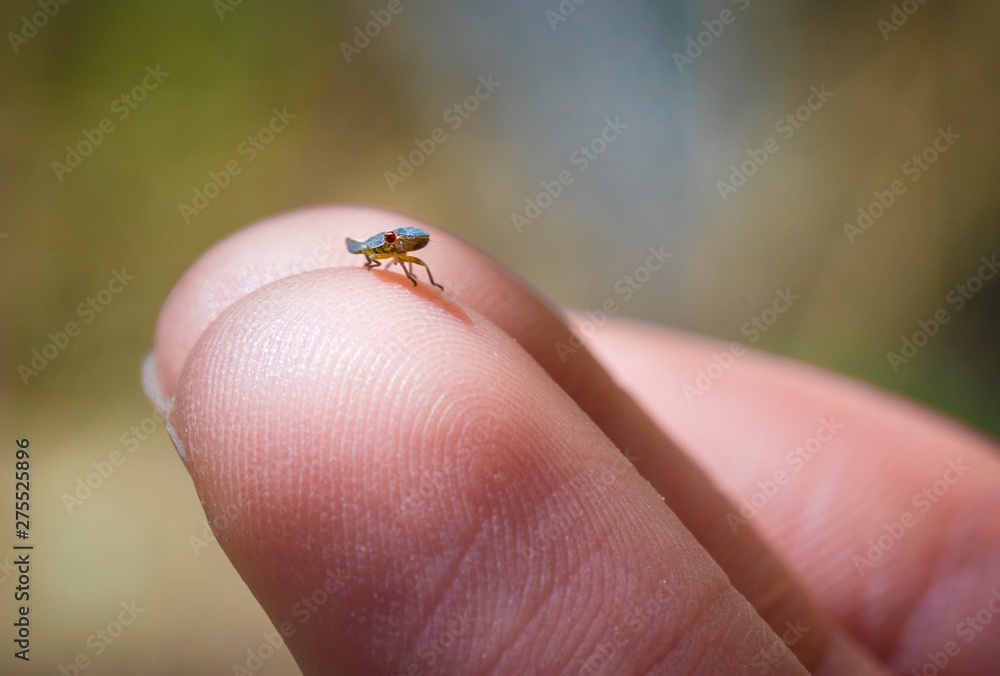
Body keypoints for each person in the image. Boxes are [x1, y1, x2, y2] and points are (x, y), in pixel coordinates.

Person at [146, 206, 1000, 674]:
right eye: (378, 256)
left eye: (379, 255)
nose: (383, 257)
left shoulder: (396, 262)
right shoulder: (386, 267)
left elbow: (403, 258)